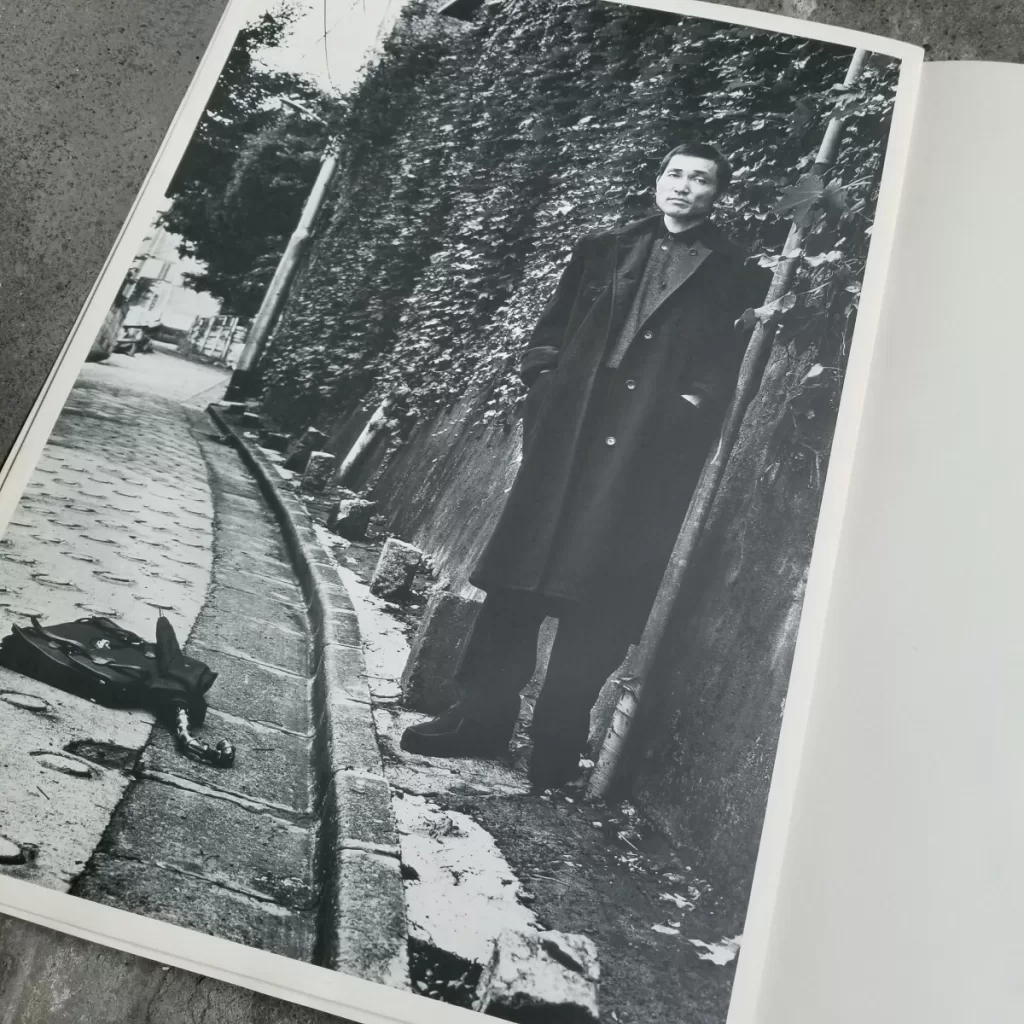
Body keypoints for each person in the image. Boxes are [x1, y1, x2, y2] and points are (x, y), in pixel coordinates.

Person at [401, 141, 768, 789]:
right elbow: (551, 330)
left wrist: (687, 410)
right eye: (675, 174)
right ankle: (479, 719)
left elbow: (728, 364)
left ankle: (557, 743)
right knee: (516, 584)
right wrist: (544, 383)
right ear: (658, 181)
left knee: (599, 598)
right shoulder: (603, 248)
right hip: (567, 437)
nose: (683, 186)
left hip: (646, 455)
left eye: (700, 179)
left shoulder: (736, 272)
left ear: (718, 194)